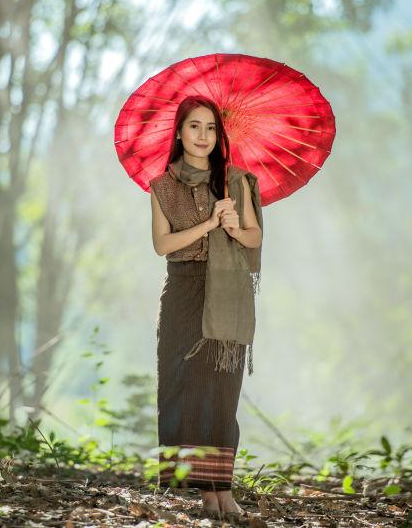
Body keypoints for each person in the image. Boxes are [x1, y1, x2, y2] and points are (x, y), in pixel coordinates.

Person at [148, 95, 263, 516]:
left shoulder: (237, 181)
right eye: (194, 126)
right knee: (187, 390)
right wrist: (210, 224)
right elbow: (163, 245)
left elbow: (254, 240)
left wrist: (234, 226)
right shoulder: (162, 186)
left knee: (222, 391)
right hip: (182, 292)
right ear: (179, 132)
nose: (203, 136)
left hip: (226, 294)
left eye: (211, 128)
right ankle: (202, 492)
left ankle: (223, 492)